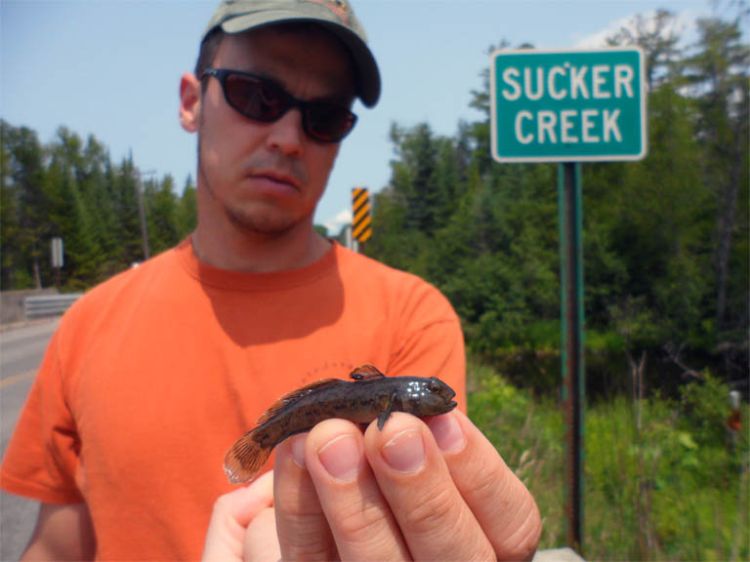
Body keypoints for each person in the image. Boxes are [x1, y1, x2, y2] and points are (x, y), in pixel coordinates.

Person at [0, 1, 541, 560]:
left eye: (325, 115)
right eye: (256, 95)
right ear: (191, 102)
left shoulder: (415, 316)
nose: (287, 137)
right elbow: (55, 548)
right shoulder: (86, 325)